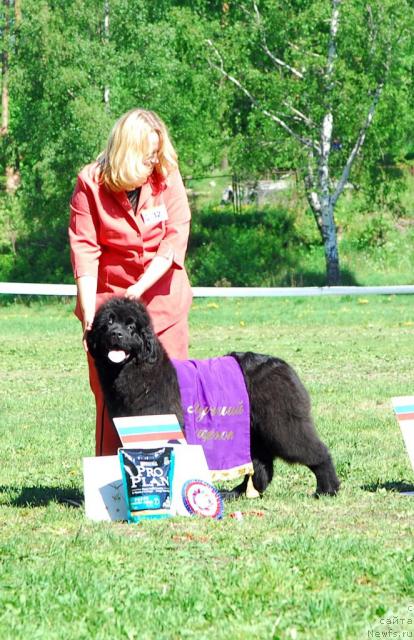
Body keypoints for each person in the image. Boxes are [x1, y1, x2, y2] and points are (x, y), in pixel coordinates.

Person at [68, 108, 192, 456]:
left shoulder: (166, 175)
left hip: (163, 302)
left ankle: (169, 476)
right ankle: (113, 479)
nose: (154, 162)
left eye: (157, 155)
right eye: (147, 156)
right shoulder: (90, 184)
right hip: (110, 307)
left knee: (168, 392)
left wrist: (141, 286)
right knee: (112, 394)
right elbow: (85, 252)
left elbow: (174, 235)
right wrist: (91, 316)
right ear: (126, 152)